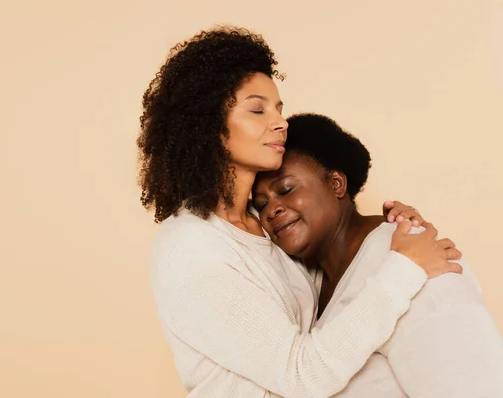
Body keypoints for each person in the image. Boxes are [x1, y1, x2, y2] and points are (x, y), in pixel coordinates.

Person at [138, 26, 462, 397]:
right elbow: (301, 376)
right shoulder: (191, 246)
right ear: (207, 124)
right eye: (257, 109)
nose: (280, 122)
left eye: (279, 108)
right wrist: (406, 269)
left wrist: (389, 227)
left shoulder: (268, 226)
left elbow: (340, 297)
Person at [253, 113, 503, 397]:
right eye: (260, 205)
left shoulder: (418, 261)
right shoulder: (311, 283)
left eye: (286, 189)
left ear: (336, 184)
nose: (272, 209)